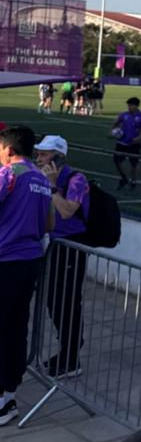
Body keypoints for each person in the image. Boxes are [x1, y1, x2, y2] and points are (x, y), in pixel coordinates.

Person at [0, 126, 53, 426]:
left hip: (5, 259)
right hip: (30, 260)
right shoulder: (42, 180)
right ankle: (9, 393)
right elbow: (49, 222)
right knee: (17, 325)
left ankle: (4, 401)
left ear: (8, 149)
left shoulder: (9, 174)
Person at [34, 134, 90, 379]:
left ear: (58, 157)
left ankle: (71, 354)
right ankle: (67, 349)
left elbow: (68, 212)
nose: (39, 158)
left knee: (67, 301)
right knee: (53, 301)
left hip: (71, 248)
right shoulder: (41, 177)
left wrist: (53, 186)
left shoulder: (77, 179)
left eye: (44, 154)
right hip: (54, 246)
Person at [111, 96, 141, 190]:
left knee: (134, 164)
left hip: (134, 143)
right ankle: (124, 177)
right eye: (128, 105)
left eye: (131, 105)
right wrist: (113, 131)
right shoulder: (124, 115)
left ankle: (133, 181)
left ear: (137, 106)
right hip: (121, 142)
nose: (129, 107)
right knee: (117, 161)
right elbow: (116, 122)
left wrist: (139, 137)